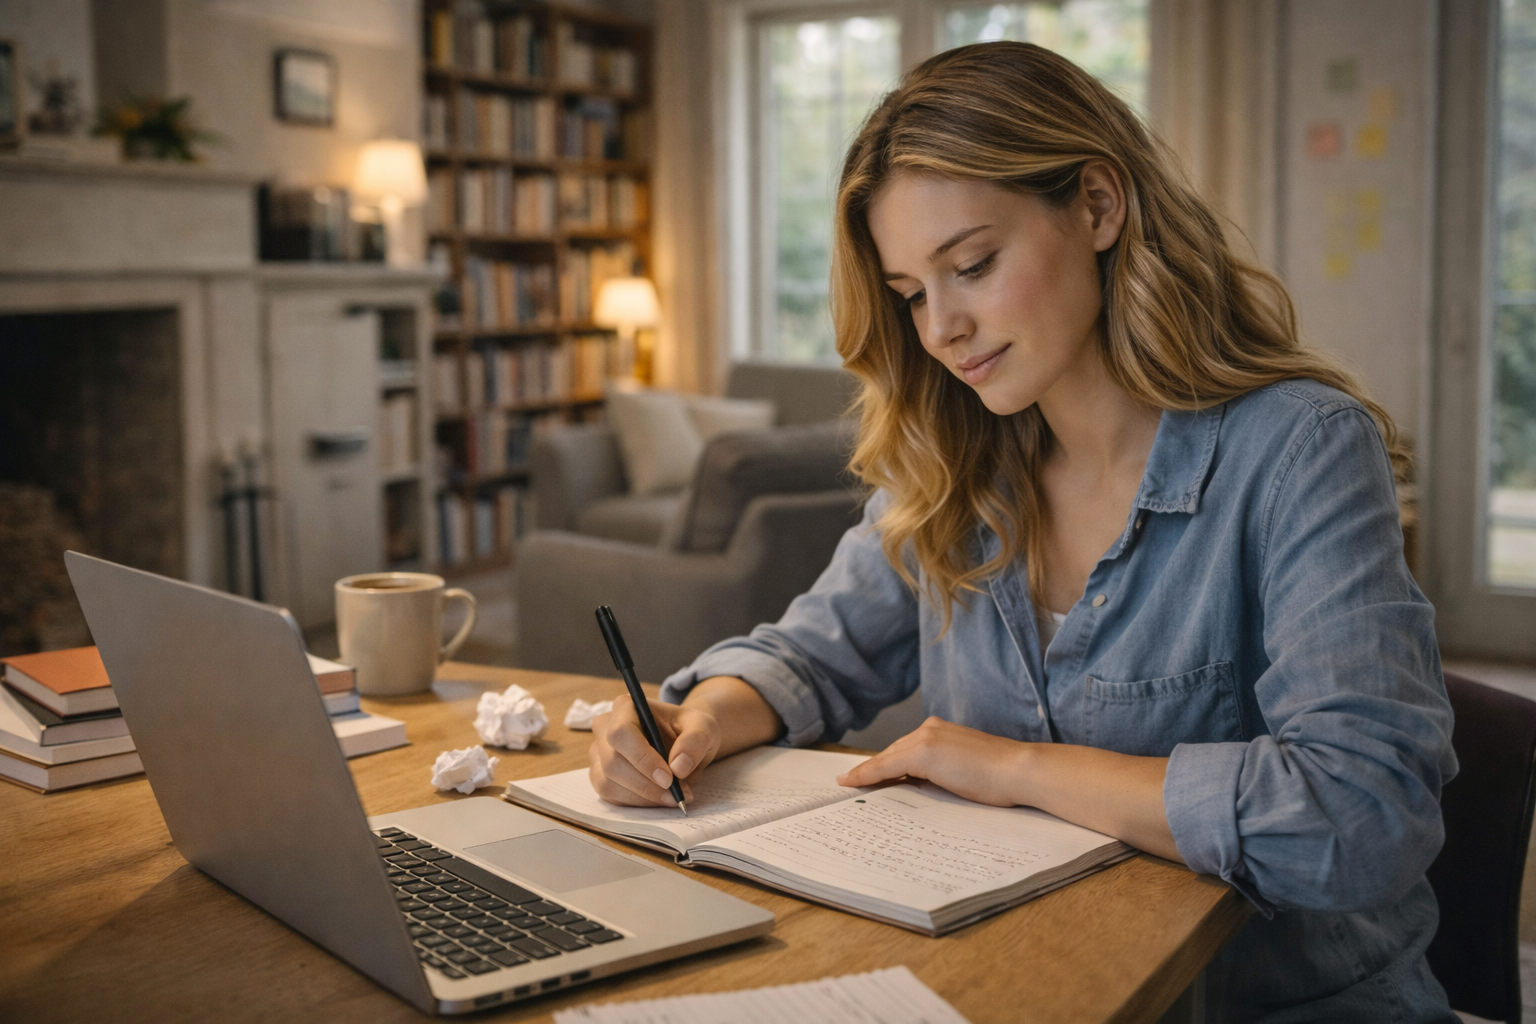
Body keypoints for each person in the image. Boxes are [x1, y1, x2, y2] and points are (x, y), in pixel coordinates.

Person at [590, 42, 1458, 1022]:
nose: (940, 330)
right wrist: (702, 713)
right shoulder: (957, 470)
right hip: (1026, 990)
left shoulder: (1296, 451)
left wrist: (1014, 766)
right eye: (913, 293)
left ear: (1097, 205)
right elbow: (808, 657)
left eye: (972, 265)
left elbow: (1367, 813)